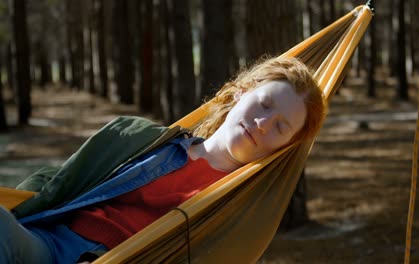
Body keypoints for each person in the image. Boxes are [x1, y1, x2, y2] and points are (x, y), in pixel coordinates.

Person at [0, 56, 326, 264]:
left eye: (281, 127)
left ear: (284, 147)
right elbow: (60, 180)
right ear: (242, 92)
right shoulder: (143, 138)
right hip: (46, 241)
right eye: (265, 104)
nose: (263, 123)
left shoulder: (235, 211)